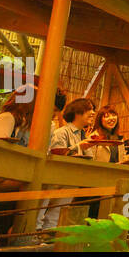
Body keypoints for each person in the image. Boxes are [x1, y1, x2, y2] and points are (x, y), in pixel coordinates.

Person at [37, 98, 96, 231]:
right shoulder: (62, 132)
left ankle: (49, 234)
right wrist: (78, 146)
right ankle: (36, 232)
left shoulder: (83, 135)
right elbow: (56, 155)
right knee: (43, 208)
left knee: (58, 211)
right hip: (54, 179)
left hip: (71, 179)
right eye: (89, 109)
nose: (93, 113)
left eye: (93, 110)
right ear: (77, 112)